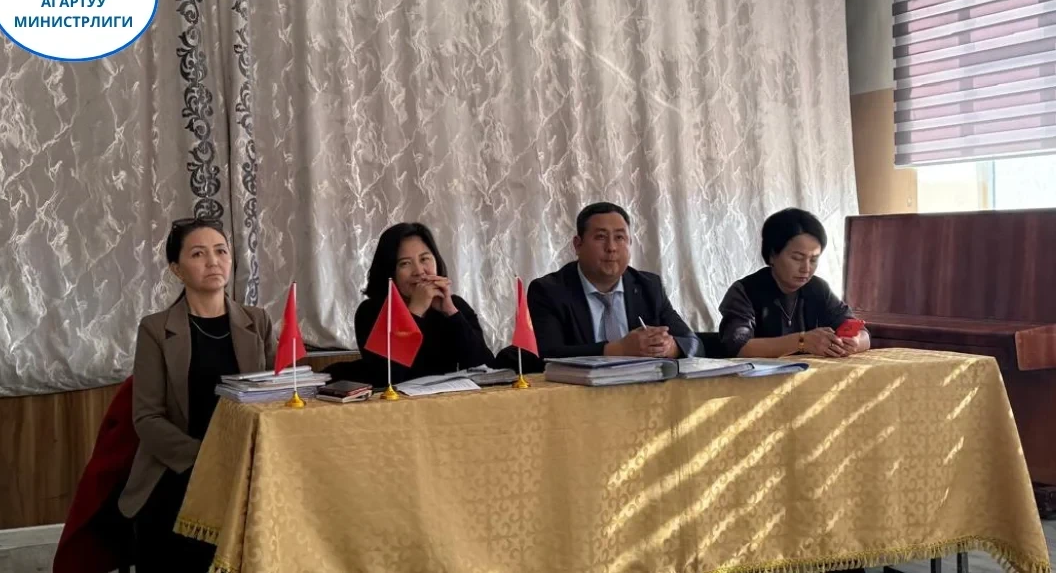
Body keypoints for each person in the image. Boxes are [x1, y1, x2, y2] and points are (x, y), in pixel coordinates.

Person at [118, 217, 275, 573]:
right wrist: (206, 459)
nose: (213, 261)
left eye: (221, 251)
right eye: (198, 254)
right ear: (177, 269)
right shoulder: (156, 329)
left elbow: (278, 395)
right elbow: (147, 418)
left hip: (246, 466)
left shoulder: (258, 322)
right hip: (179, 467)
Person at [524, 202, 701, 372]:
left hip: (641, 388)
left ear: (630, 243)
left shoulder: (648, 286)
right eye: (600, 237)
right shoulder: (549, 290)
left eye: (619, 237)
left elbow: (693, 343)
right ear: (578, 245)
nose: (611, 248)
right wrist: (618, 350)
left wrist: (670, 347)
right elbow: (546, 355)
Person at [353, 222, 494, 387]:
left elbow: (487, 369)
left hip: (451, 399)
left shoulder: (455, 306)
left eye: (424, 259)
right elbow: (386, 378)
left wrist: (451, 313)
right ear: (389, 271)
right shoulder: (370, 312)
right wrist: (415, 311)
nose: (419, 271)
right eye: (405, 263)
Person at [718, 208, 870, 359]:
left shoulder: (818, 288)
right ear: (772, 255)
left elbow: (863, 334)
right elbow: (737, 347)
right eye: (797, 258)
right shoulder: (745, 291)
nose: (806, 268)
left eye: (813, 260)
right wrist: (801, 342)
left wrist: (855, 342)